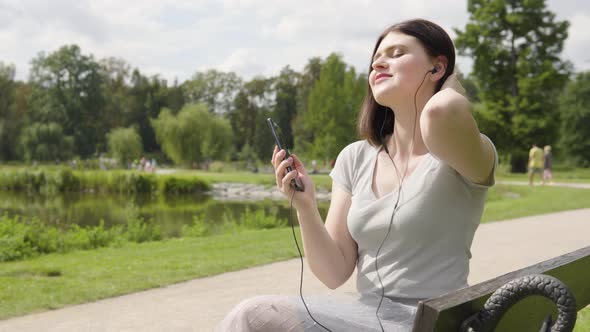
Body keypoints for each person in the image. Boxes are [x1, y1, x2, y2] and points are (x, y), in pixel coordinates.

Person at [216, 19, 497, 331]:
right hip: (366, 318)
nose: (378, 62)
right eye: (377, 57)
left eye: (397, 53)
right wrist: (306, 206)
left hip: (432, 323)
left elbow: (440, 112)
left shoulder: (465, 152)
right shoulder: (355, 157)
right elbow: (334, 273)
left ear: (437, 67)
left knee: (251, 315)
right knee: (253, 317)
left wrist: (452, 84)